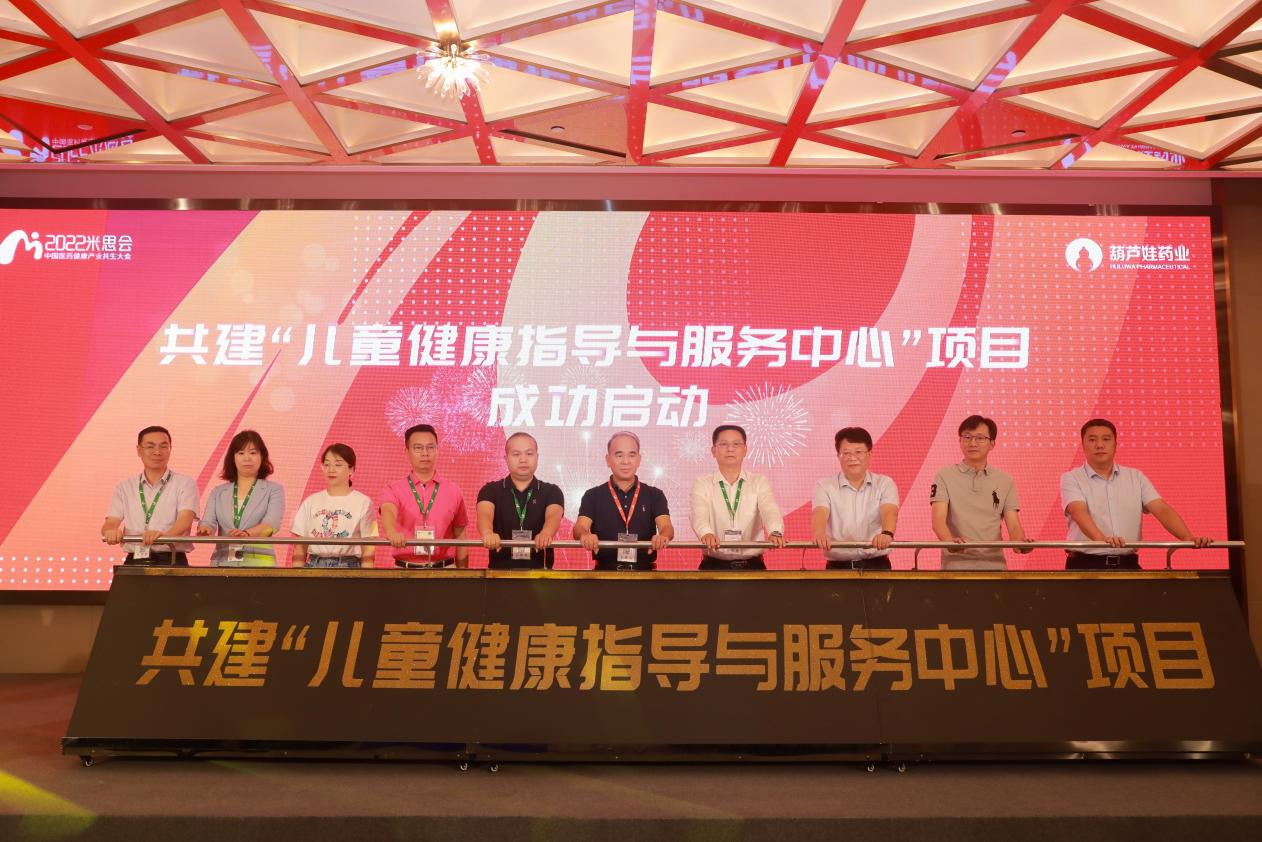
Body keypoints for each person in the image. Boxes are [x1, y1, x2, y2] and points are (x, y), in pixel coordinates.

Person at [1060, 418, 1212, 570]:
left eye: (1106, 439)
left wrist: (1187, 537)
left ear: (1115, 445)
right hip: (1084, 565)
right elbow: (1078, 512)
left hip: (1128, 565)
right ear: (1083, 445)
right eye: (1092, 440)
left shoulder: (1136, 477)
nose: (1099, 445)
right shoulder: (1071, 478)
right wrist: (1102, 540)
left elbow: (1161, 509)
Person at [930, 414, 1031, 570]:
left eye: (980, 438)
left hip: (995, 566)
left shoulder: (1005, 480)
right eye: (967, 437)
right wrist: (950, 542)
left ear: (992, 444)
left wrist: (1020, 542)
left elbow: (1013, 525)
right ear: (960, 441)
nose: (973, 443)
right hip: (955, 567)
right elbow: (938, 521)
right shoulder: (944, 476)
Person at [573, 431, 673, 571]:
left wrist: (662, 536)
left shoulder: (655, 494)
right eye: (619, 455)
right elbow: (579, 528)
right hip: (604, 573)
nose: (626, 461)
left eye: (631, 455)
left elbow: (667, 527)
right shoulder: (593, 495)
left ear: (639, 459)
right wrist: (585, 535)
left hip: (645, 573)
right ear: (608, 460)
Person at [689, 424, 784, 570]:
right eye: (723, 444)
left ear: (745, 450)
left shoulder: (759, 481)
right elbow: (698, 513)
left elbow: (769, 509)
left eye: (736, 444)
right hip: (713, 566)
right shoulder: (702, 483)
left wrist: (775, 531)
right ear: (713, 451)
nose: (730, 449)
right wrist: (706, 533)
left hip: (753, 567)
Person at [101, 426, 199, 565]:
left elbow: (185, 520)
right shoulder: (124, 487)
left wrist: (163, 537)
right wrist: (111, 531)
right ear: (138, 450)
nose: (157, 452)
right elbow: (111, 522)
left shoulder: (185, 483)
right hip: (135, 559)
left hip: (172, 558)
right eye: (150, 446)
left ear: (170, 449)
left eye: (163, 446)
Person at [381, 424, 468, 569]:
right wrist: (391, 532)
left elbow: (460, 534)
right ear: (407, 452)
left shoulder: (454, 490)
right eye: (418, 448)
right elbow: (388, 511)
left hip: (445, 570)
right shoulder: (393, 489)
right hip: (404, 571)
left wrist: (464, 574)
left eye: (430, 447)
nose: (425, 453)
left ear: (437, 450)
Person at [811, 427, 899, 570]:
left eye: (858, 452)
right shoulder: (825, 486)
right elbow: (820, 511)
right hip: (838, 568)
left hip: (877, 565)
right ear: (838, 456)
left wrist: (887, 533)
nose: (852, 458)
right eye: (846, 453)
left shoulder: (884, 483)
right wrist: (819, 533)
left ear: (869, 454)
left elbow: (890, 511)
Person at [477, 432, 565, 569]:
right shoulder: (489, 490)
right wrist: (487, 533)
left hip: (541, 573)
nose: (523, 459)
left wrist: (546, 533)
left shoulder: (552, 491)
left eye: (529, 454)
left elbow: (553, 516)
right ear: (506, 458)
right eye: (516, 454)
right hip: (499, 573)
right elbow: (484, 515)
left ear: (537, 457)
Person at [198, 430, 285, 567]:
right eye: (241, 453)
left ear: (262, 457)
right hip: (222, 563)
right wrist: (205, 529)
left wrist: (247, 534)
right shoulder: (218, 492)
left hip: (259, 564)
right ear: (233, 458)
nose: (247, 458)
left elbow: (271, 524)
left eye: (253, 453)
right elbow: (208, 522)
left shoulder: (274, 490)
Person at [291, 443, 376, 569]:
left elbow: (368, 548)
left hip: (349, 567)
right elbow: (300, 548)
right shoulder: (311, 501)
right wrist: (296, 575)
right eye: (327, 464)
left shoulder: (364, 502)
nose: (331, 469)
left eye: (338, 464)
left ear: (351, 469)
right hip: (314, 566)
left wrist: (366, 577)